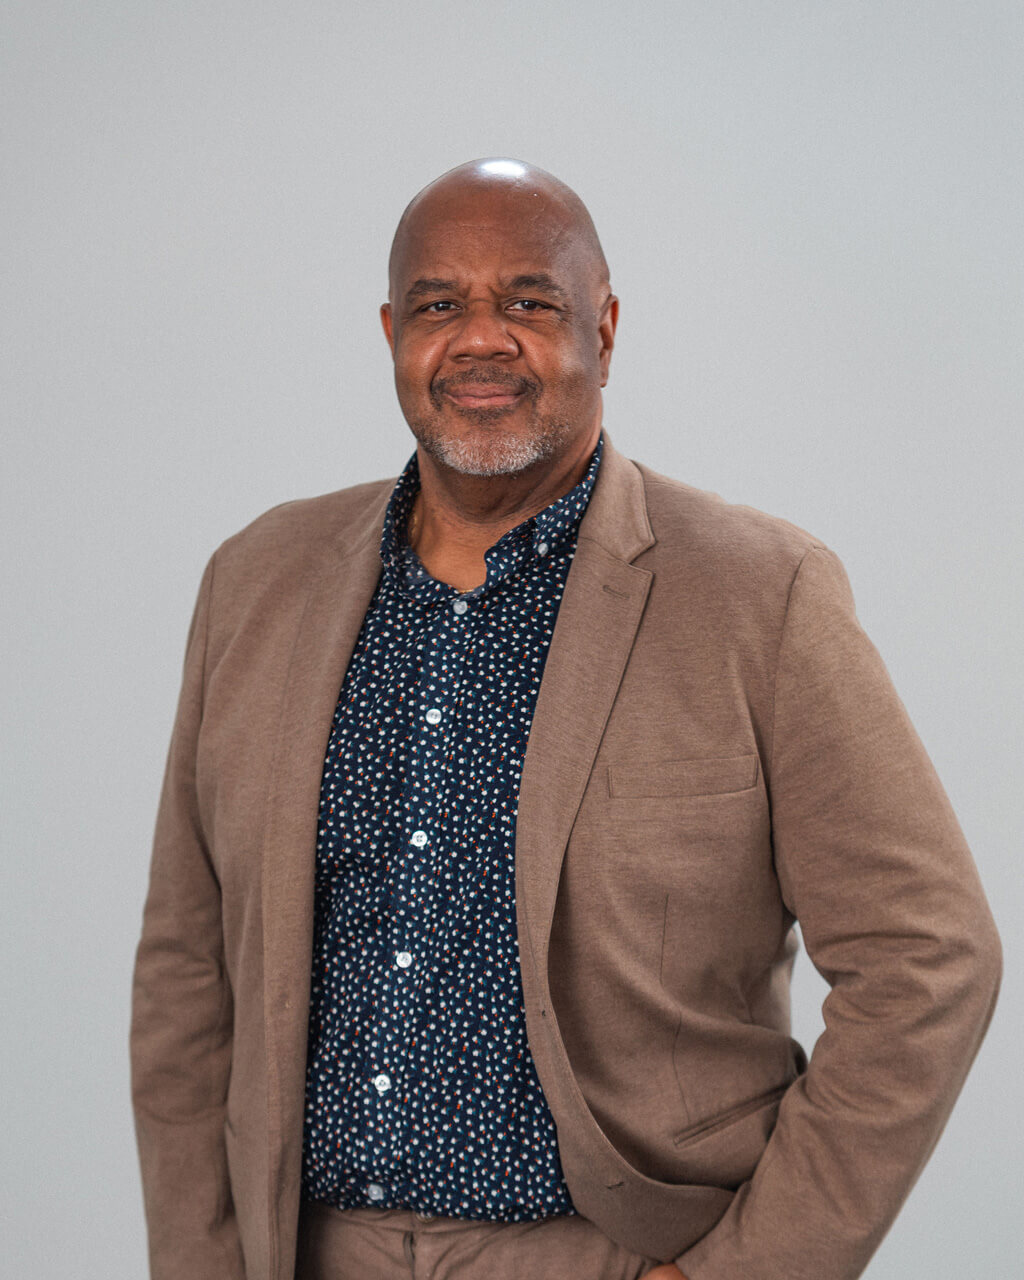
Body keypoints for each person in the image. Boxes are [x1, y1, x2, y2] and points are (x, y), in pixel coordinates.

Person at [130, 158, 1001, 1280]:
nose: (480, 338)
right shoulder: (256, 580)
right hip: (303, 1249)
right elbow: (184, 973)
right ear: (394, 329)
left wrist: (751, 1269)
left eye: (528, 302)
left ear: (605, 326)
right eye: (440, 304)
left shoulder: (756, 593)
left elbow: (930, 956)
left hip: (613, 1250)